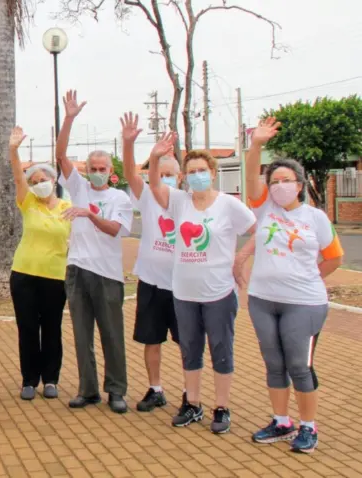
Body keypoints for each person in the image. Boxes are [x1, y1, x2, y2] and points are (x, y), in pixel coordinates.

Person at [235, 117, 344, 453]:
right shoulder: (265, 208)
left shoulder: (316, 218)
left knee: (299, 365)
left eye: (287, 180)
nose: (280, 185)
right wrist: (256, 145)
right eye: (275, 180)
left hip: (305, 304)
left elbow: (334, 258)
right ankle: (281, 421)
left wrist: (309, 278)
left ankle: (308, 427)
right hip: (262, 300)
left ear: (300, 184)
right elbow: (251, 175)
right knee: (274, 363)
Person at [148, 148, 256, 434]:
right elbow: (156, 185)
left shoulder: (228, 205)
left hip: (218, 293)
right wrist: (155, 156)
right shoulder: (179, 202)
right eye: (191, 172)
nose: (197, 176)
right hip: (184, 292)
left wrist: (241, 257)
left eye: (202, 171)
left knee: (221, 350)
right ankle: (192, 403)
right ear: (184, 177)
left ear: (213, 173)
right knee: (190, 350)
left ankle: (221, 407)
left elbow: (259, 229)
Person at [55, 92, 134, 414]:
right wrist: (69, 118)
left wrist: (90, 214)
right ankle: (88, 390)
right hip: (77, 270)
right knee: (81, 334)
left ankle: (116, 389)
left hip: (108, 275)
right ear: (86, 169)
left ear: (111, 169)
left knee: (112, 335)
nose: (97, 171)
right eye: (93, 167)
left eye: (102, 167)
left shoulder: (119, 198)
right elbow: (60, 155)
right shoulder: (79, 188)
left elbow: (116, 230)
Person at [120, 113, 183, 413]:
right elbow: (131, 172)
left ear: (180, 178)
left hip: (183, 285)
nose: (165, 179)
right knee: (151, 339)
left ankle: (189, 391)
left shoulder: (187, 200)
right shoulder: (146, 196)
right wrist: (129, 144)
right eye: (161, 173)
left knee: (188, 343)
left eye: (171, 174)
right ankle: (155, 389)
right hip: (151, 281)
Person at [8, 126, 71, 401]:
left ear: (54, 179)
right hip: (24, 275)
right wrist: (13, 150)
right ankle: (29, 380)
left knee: (52, 328)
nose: (38, 182)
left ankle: (51, 379)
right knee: (28, 329)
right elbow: (17, 177)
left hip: (55, 277)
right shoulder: (28, 201)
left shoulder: (67, 208)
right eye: (34, 180)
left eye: (43, 178)